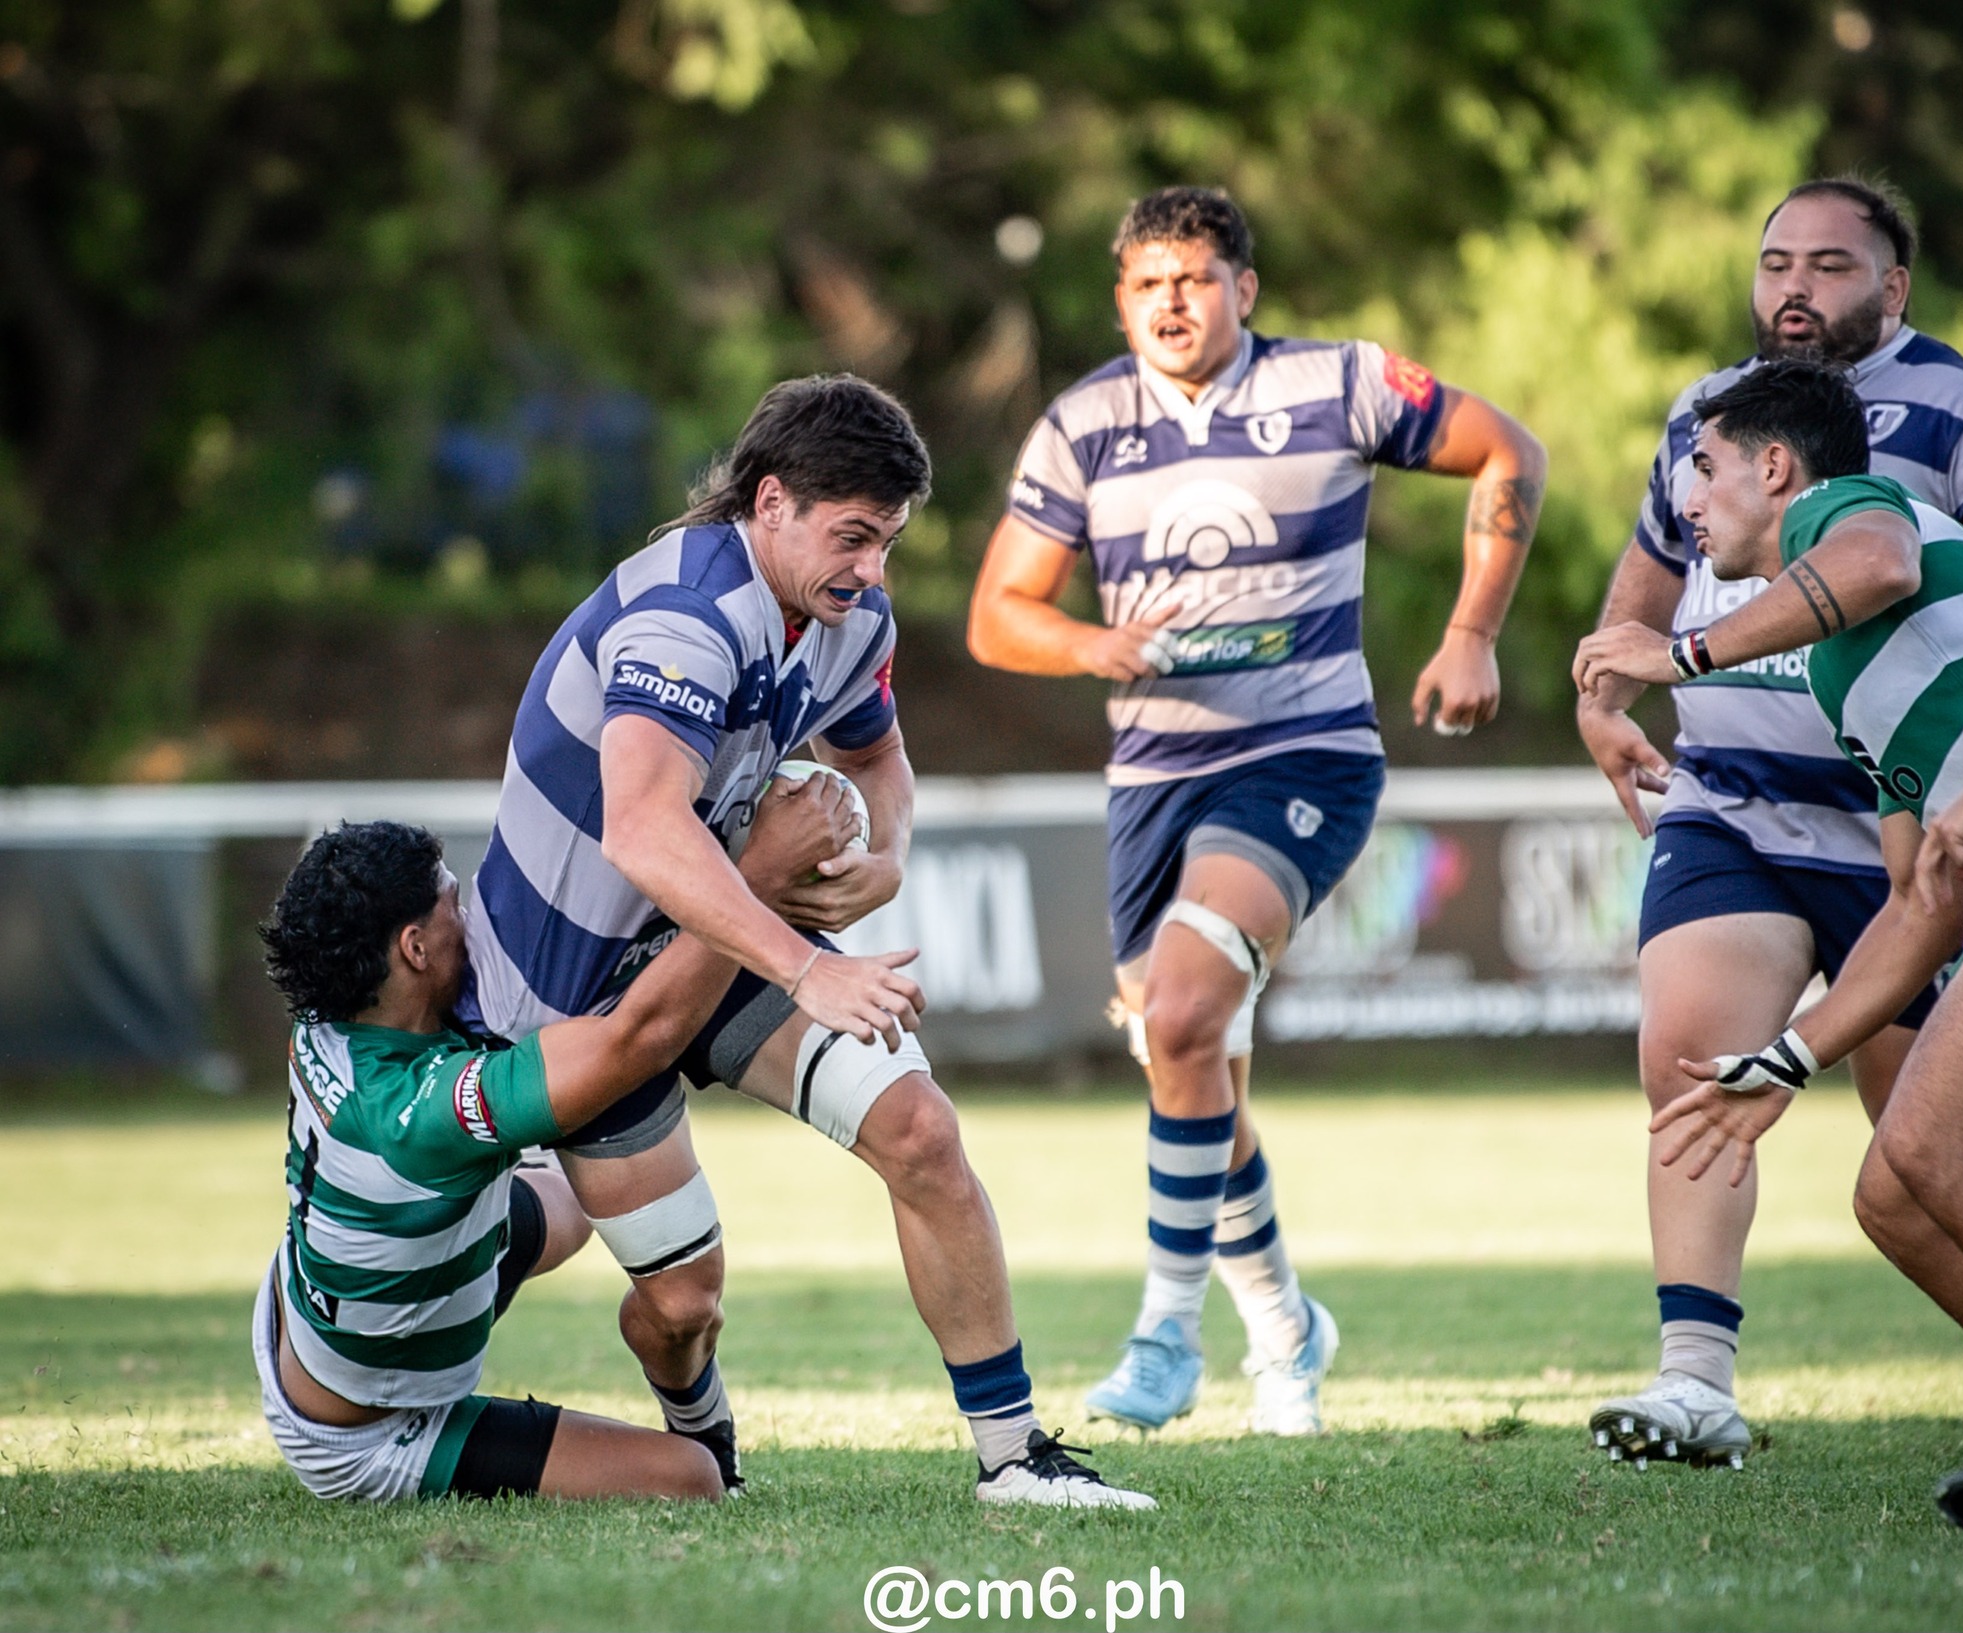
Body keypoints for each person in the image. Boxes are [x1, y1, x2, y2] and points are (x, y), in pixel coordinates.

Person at [462, 373, 1153, 1508]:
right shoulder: (682, 618)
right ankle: (704, 1439)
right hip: (574, 997)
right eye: (852, 536)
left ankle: (1013, 1457)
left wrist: (885, 855)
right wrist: (805, 961)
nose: (871, 568)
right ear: (769, 502)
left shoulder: (846, 616)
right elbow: (642, 829)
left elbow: (878, 760)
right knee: (680, 1304)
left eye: (885, 540)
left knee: (921, 1133)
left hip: (720, 938)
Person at [967, 186, 1545, 1435]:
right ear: (1119, 302)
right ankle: (1285, 1327)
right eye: (1144, 284)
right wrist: (1088, 647)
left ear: (1244, 289)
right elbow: (995, 614)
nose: (1170, 302)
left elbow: (1507, 450)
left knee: (1179, 1011)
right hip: (1151, 778)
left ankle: (1164, 1333)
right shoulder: (1082, 425)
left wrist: (1469, 634)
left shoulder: (1338, 385)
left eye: (1193, 277)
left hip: (1301, 756)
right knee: (1189, 1060)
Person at [1573, 177, 1963, 1468]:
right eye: (1772, 258)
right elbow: (1914, 908)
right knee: (1896, 1187)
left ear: (1774, 469)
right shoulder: (1849, 683)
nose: (1685, 500)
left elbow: (1879, 568)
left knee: (1954, 1148)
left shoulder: (1853, 505)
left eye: (1706, 476)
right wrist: (1784, 1061)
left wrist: (1686, 656)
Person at [252, 796, 844, 1502]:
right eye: (452, 900)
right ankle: (704, 1434)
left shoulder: (331, 1014)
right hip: (373, 1427)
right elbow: (636, 1039)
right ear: (414, 947)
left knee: (576, 1196)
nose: (468, 913)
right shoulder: (423, 1113)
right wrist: (753, 885)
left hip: (333, 1310)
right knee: (693, 1480)